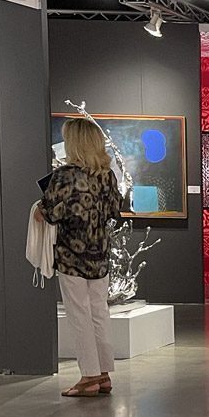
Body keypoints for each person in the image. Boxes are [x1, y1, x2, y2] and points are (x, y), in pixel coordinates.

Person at [38, 118, 124, 398]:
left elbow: (49, 213)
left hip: (71, 255)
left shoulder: (65, 175)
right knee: (99, 312)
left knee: (79, 315)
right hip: (99, 254)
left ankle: (88, 377)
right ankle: (103, 374)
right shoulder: (107, 175)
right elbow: (115, 212)